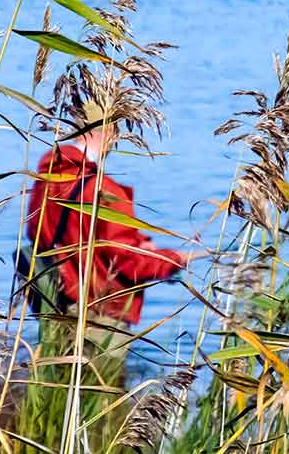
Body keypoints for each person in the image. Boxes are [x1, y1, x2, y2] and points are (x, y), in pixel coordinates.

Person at [22, 113, 193, 328]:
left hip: (55, 302)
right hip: (99, 311)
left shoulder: (48, 178)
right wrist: (173, 259)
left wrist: (139, 241)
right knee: (97, 363)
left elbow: (40, 234)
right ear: (108, 133)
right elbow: (126, 262)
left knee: (54, 361)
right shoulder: (105, 190)